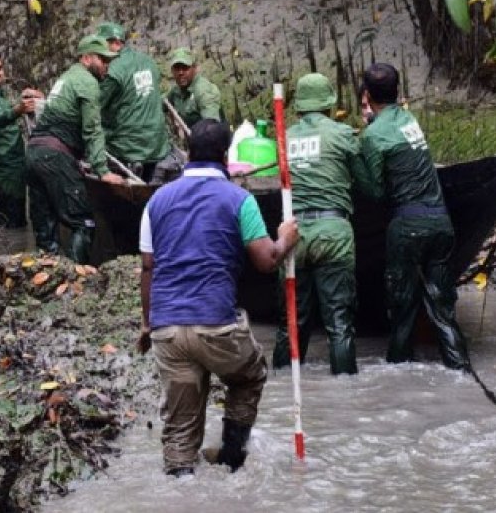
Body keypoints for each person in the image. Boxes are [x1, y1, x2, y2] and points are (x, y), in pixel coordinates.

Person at [137, 119, 299, 477]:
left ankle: (181, 481)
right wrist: (286, 237)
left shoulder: (156, 201)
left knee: (180, 424)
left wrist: (147, 324)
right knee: (250, 376)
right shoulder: (240, 200)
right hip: (216, 324)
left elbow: (148, 268)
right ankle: (231, 456)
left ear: (187, 152)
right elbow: (266, 260)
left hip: (167, 328)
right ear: (226, 157)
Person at [357, 63, 469, 370]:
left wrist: (356, 158)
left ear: (366, 95)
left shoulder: (372, 137)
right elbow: (390, 128)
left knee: (402, 310)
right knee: (441, 308)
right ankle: (461, 369)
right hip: (441, 223)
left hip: (408, 228)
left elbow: (377, 193)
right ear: (398, 93)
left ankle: (397, 373)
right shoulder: (409, 119)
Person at [272, 73, 373, 376]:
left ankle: (279, 386)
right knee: (339, 323)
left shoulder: (283, 138)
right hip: (333, 234)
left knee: (291, 323)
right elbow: (367, 183)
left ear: (299, 107)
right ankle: (346, 394)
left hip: (294, 236)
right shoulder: (342, 134)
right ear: (330, 104)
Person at [26, 34, 124, 263]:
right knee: (84, 220)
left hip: (33, 154)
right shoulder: (87, 83)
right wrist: (103, 171)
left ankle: (45, 275)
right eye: (103, 60)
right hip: (54, 155)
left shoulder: (66, 77)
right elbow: (93, 130)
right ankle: (76, 279)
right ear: (87, 58)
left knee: (45, 224)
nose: (107, 67)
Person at [96, 22, 180, 184]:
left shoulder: (112, 71)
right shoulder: (149, 62)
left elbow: (94, 108)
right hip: (157, 145)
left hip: (129, 150)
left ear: (113, 43)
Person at [0, 46, 43, 228]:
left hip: (14, 169)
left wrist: (26, 99)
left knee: (16, 223)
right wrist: (19, 108)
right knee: (11, 227)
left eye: (0, 68)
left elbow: (5, 110)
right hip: (4, 173)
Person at [166, 47, 225, 127]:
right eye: (177, 68)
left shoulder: (204, 91)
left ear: (195, 68)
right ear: (172, 70)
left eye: (185, 68)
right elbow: (160, 104)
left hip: (209, 136)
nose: (180, 72)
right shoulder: (175, 91)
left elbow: (212, 128)